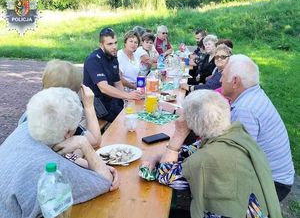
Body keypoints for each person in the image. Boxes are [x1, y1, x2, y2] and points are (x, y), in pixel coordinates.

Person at [140, 90, 282, 218]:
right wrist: (158, 157)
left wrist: (179, 134)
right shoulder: (235, 133)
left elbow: (165, 176)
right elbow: (189, 150)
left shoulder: (207, 159)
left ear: (191, 122)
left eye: (183, 114)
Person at [0, 87, 119, 218]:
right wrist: (84, 145)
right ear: (68, 132)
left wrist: (86, 164)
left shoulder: (23, 129)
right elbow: (105, 181)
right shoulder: (54, 169)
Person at [221, 54, 295, 201]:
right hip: (275, 175)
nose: (220, 80)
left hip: (273, 183)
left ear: (235, 82)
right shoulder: (253, 94)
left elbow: (237, 160)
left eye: (223, 76)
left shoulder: (245, 109)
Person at [83, 27, 142, 122]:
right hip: (98, 106)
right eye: (110, 44)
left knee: (137, 114)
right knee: (129, 120)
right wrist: (127, 96)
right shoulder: (93, 60)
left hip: (113, 101)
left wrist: (126, 100)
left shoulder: (113, 57)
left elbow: (118, 82)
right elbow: (103, 88)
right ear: (101, 45)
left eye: (115, 42)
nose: (114, 46)